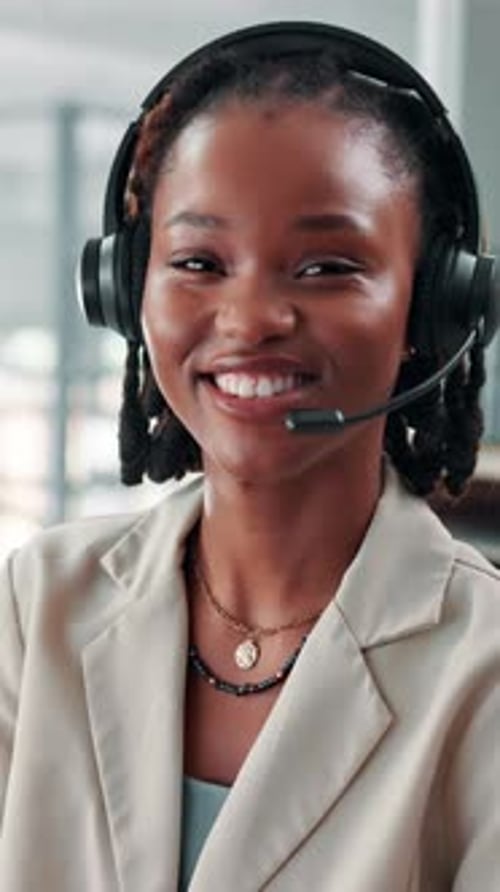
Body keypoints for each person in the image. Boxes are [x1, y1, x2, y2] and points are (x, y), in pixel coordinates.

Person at [1, 21, 499, 892]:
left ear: (431, 316)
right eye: (198, 261)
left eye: (327, 266)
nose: (252, 317)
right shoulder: (33, 608)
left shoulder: (484, 670)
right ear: (127, 293)